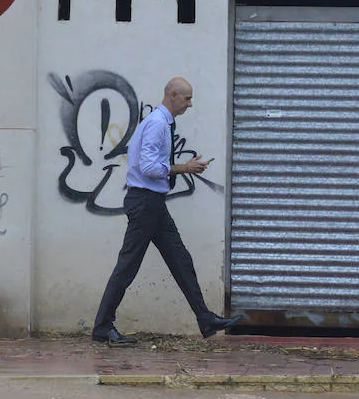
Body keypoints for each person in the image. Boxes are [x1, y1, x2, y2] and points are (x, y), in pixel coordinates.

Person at [92, 76, 246, 346]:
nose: (190, 104)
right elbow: (149, 167)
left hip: (153, 204)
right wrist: (184, 168)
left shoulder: (162, 123)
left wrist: (182, 167)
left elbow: (153, 165)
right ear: (172, 95)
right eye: (187, 99)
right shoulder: (157, 125)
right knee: (127, 267)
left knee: (181, 260)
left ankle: (205, 319)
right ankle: (103, 327)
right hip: (145, 204)